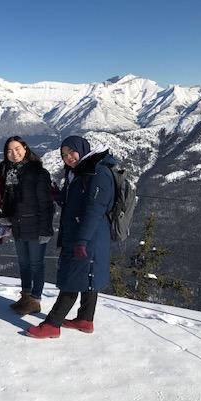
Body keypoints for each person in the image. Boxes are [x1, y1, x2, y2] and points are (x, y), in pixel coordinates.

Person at [27, 136, 115, 338]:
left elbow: (94, 209)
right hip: (82, 234)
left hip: (88, 236)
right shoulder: (80, 171)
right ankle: (85, 319)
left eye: (71, 152)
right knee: (87, 276)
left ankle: (52, 324)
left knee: (72, 278)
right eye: (64, 155)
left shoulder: (97, 172)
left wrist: (82, 240)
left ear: (82, 149)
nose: (68, 158)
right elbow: (76, 203)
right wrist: (60, 196)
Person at [0, 136, 54, 316]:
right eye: (9, 150)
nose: (13, 154)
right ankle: (26, 296)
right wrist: (5, 216)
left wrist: (46, 229)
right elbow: (9, 200)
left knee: (36, 263)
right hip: (19, 225)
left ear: (25, 148)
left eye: (17, 149)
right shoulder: (9, 172)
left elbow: (46, 203)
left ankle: (35, 300)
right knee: (23, 263)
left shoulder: (38, 172)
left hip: (36, 225)